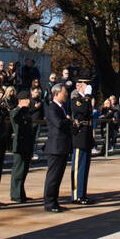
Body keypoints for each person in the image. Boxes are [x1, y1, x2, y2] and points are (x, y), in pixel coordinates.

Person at [42, 83, 72, 212]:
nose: (66, 95)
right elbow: (59, 124)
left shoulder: (61, 107)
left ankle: (54, 200)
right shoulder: (52, 108)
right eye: (64, 93)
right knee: (53, 176)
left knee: (58, 176)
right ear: (56, 94)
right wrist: (68, 120)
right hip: (55, 146)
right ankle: (49, 202)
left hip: (62, 146)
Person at [10, 85, 41, 202]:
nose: (28, 101)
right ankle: (15, 194)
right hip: (20, 144)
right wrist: (19, 108)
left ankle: (21, 193)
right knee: (18, 170)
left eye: (28, 99)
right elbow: (14, 117)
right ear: (20, 101)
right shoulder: (16, 112)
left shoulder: (26, 112)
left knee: (24, 170)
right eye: (26, 100)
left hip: (27, 143)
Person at [70, 80, 95, 204]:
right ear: (78, 86)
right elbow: (82, 111)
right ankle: (76, 195)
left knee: (85, 168)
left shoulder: (86, 99)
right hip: (79, 136)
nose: (88, 88)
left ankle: (82, 193)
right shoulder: (76, 98)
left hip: (86, 135)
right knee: (78, 167)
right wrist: (87, 96)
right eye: (86, 85)